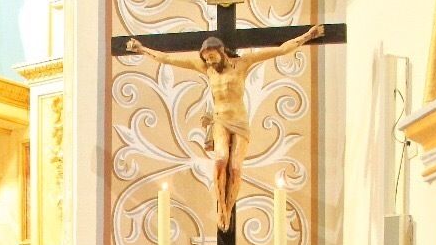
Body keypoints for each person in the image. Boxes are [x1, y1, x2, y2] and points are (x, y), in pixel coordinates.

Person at [126, 26, 324, 231]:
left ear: (221, 52)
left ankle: (228, 209)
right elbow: (167, 59)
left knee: (236, 167)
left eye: (212, 57)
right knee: (220, 161)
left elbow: (281, 50)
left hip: (239, 122)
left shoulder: (242, 64)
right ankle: (221, 207)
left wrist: (308, 36)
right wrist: (141, 49)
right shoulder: (206, 69)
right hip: (220, 121)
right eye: (207, 59)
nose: (210, 62)